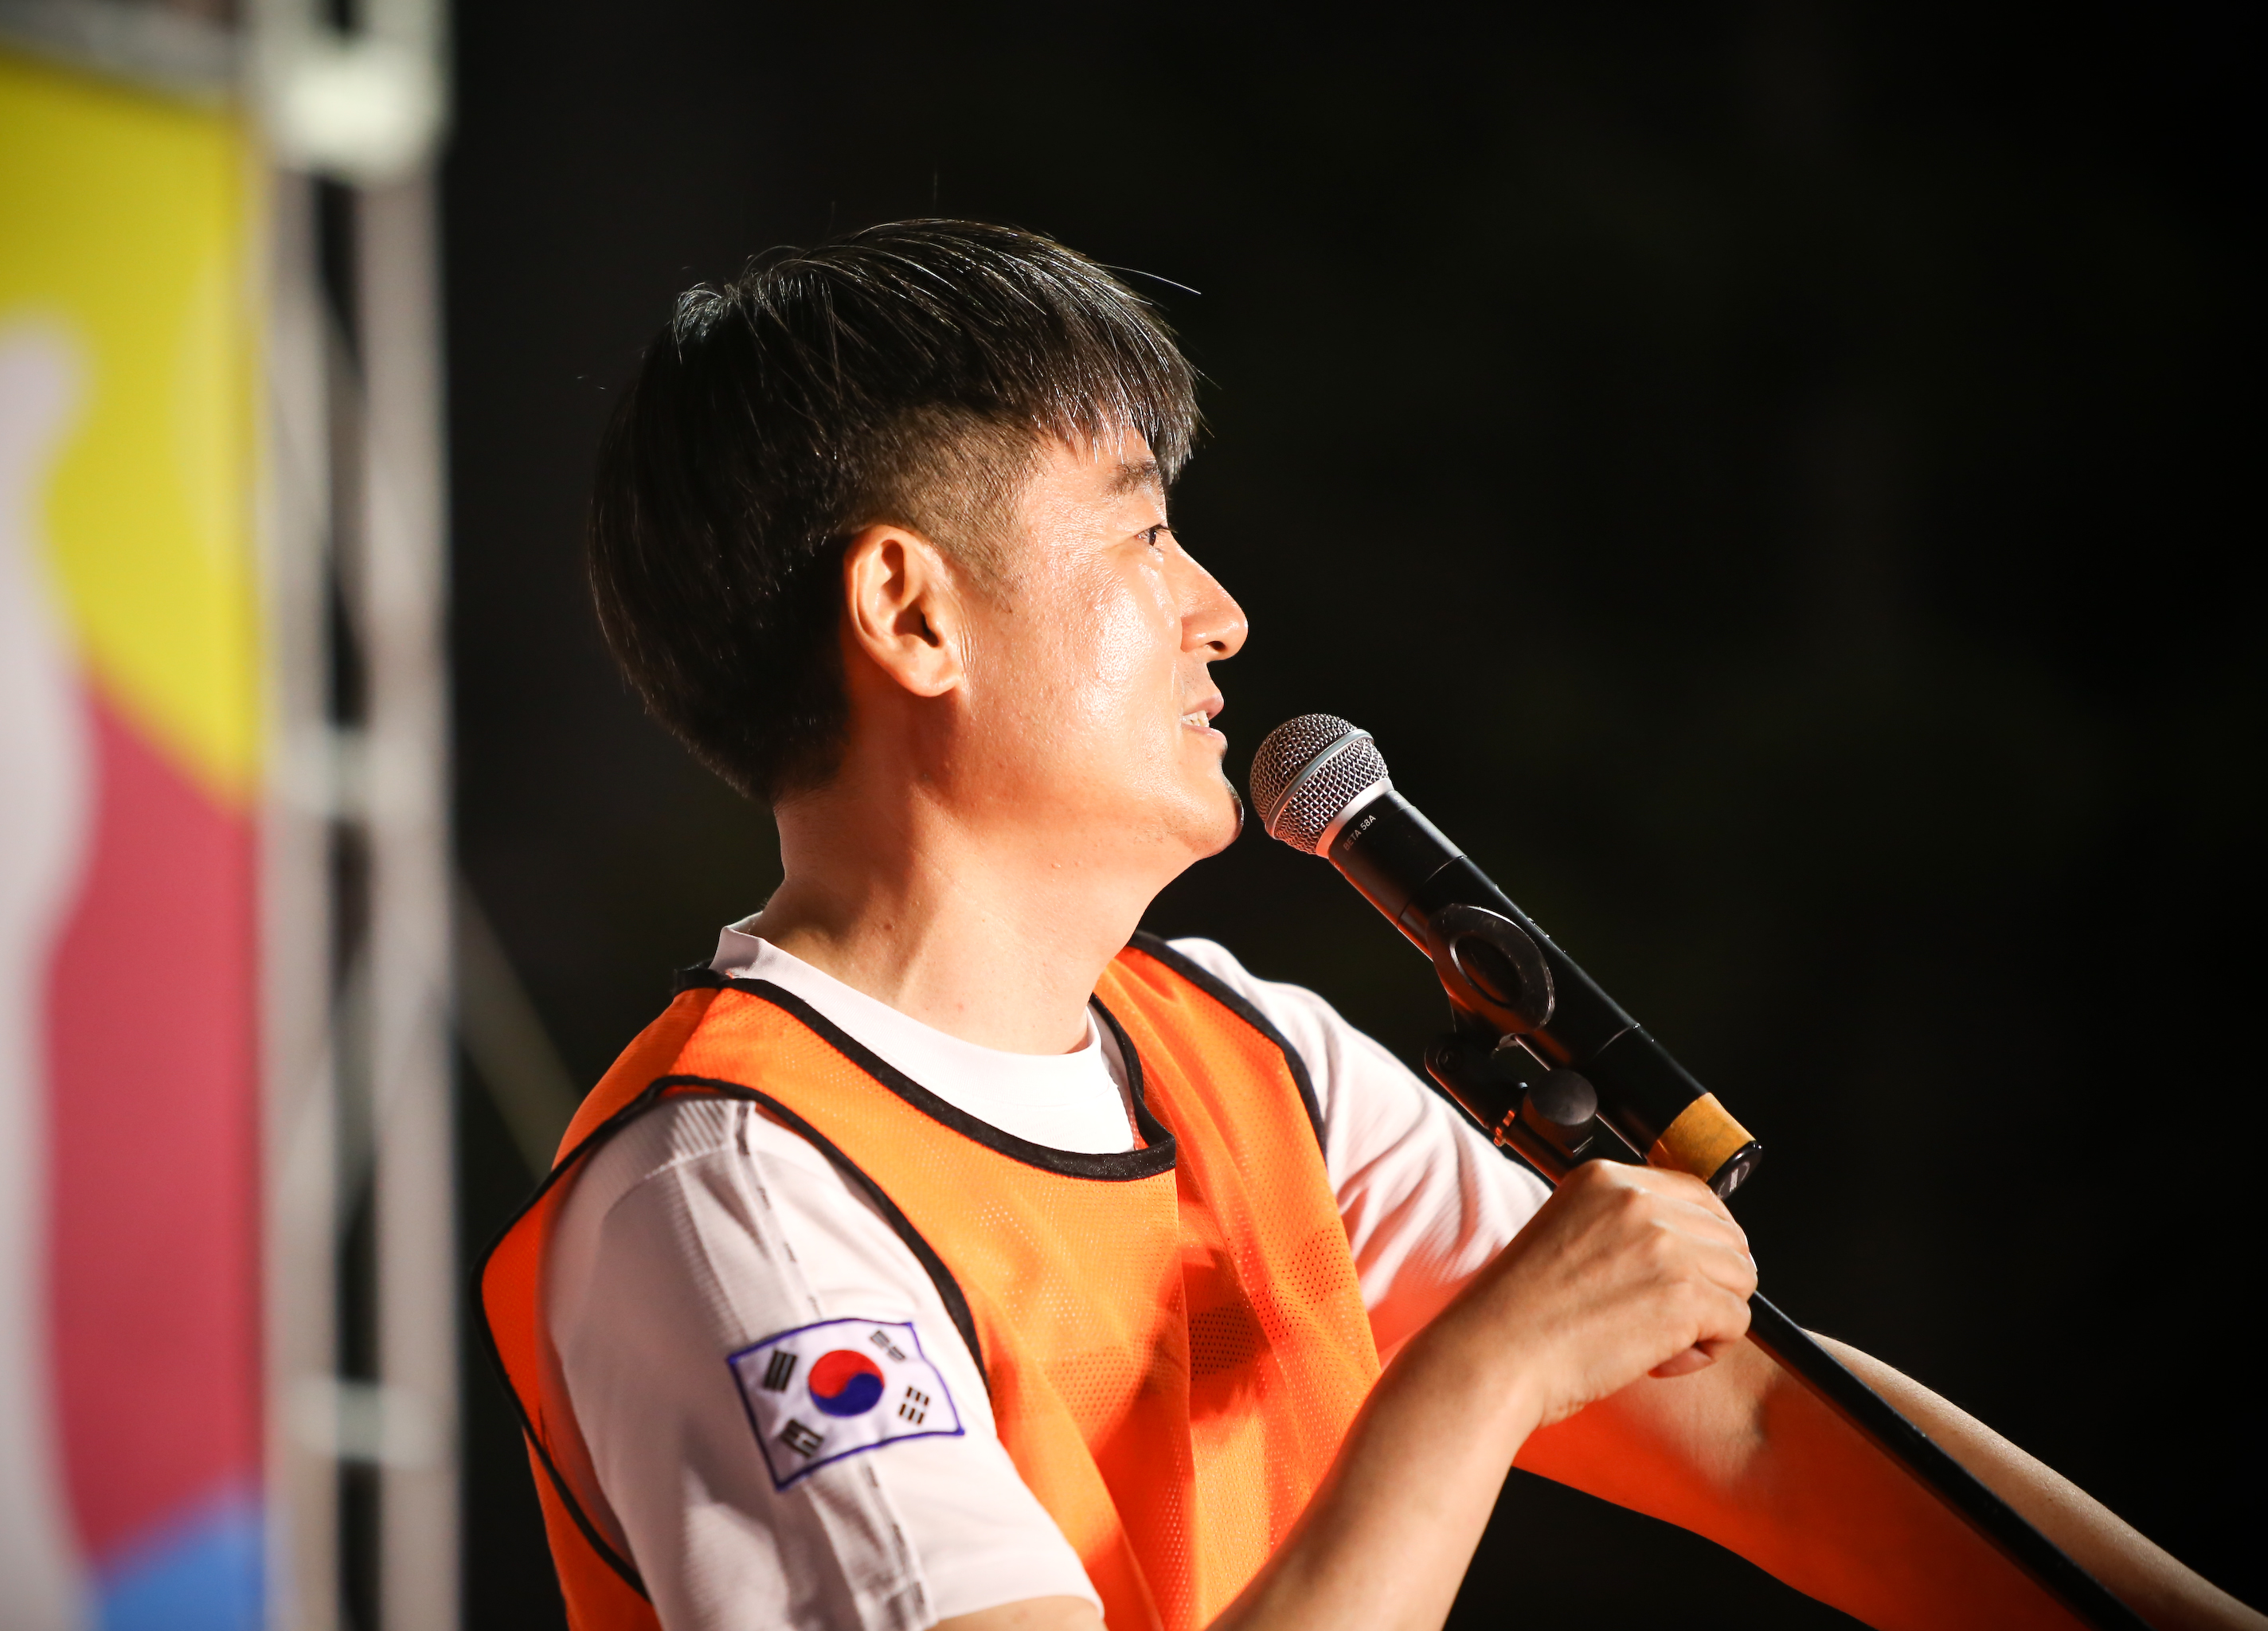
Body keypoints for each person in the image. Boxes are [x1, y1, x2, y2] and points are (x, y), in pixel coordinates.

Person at [478, 221, 2262, 1631]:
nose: (1222, 614)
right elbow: (1538, 1355)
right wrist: (1487, 1371)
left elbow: (1766, 1428)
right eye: (1142, 539)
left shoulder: (1248, 1054)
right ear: (910, 612)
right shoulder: (736, 1190)